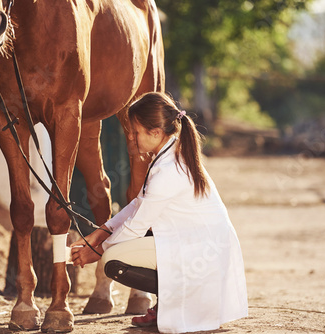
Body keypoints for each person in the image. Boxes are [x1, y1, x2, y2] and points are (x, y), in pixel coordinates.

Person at [71, 92, 248, 333]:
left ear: (155, 133)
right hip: (196, 245)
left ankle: (171, 301)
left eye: (135, 133)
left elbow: (136, 227)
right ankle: (168, 301)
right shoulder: (169, 155)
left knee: (112, 261)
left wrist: (97, 251)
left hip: (201, 252)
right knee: (112, 250)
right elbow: (138, 204)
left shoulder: (169, 170)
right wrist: (102, 232)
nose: (131, 139)